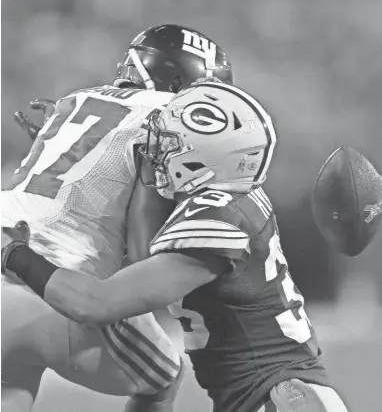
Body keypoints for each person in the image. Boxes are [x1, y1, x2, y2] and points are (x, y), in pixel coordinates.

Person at [2, 80, 349, 412]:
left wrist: (14, 253)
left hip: (282, 396)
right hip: (263, 392)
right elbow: (141, 255)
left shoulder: (217, 221)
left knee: (160, 375)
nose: (156, 152)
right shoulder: (222, 198)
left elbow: (95, 303)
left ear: (205, 159)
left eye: (170, 144)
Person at [1, 24, 233, 412]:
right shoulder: (166, 121)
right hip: (49, 279)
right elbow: (142, 250)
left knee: (11, 380)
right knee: (163, 378)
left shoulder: (76, 99)